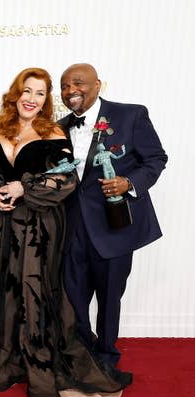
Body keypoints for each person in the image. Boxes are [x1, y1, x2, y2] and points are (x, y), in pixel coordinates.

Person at [0, 67, 131, 397]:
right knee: (4, 288)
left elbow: (65, 181)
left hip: (38, 225)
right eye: (27, 91)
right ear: (15, 94)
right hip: (1, 224)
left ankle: (37, 361)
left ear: (47, 100)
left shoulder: (54, 132)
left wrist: (23, 187)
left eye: (40, 93)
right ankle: (8, 360)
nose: (32, 99)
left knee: (32, 288)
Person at [58, 63, 167, 369]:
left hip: (114, 223)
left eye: (77, 83)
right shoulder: (59, 126)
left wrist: (129, 183)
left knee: (109, 296)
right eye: (64, 86)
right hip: (72, 224)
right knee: (72, 293)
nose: (70, 91)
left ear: (98, 85)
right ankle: (81, 354)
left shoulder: (130, 115)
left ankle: (106, 356)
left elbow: (156, 158)